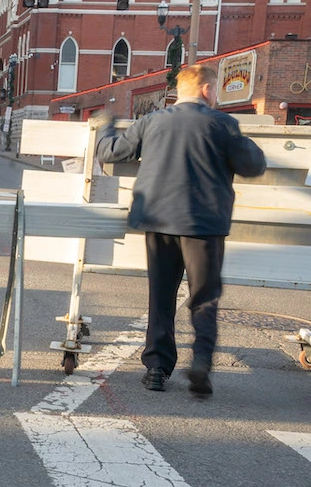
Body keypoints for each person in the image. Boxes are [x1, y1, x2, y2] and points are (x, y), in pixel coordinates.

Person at [95, 64, 266, 396]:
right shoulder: (223, 124)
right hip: (204, 224)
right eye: (215, 90)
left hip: (158, 220)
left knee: (161, 295)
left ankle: (157, 369)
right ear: (206, 91)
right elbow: (252, 166)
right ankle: (201, 363)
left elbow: (112, 151)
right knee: (204, 297)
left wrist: (107, 126)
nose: (216, 96)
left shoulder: (153, 121)